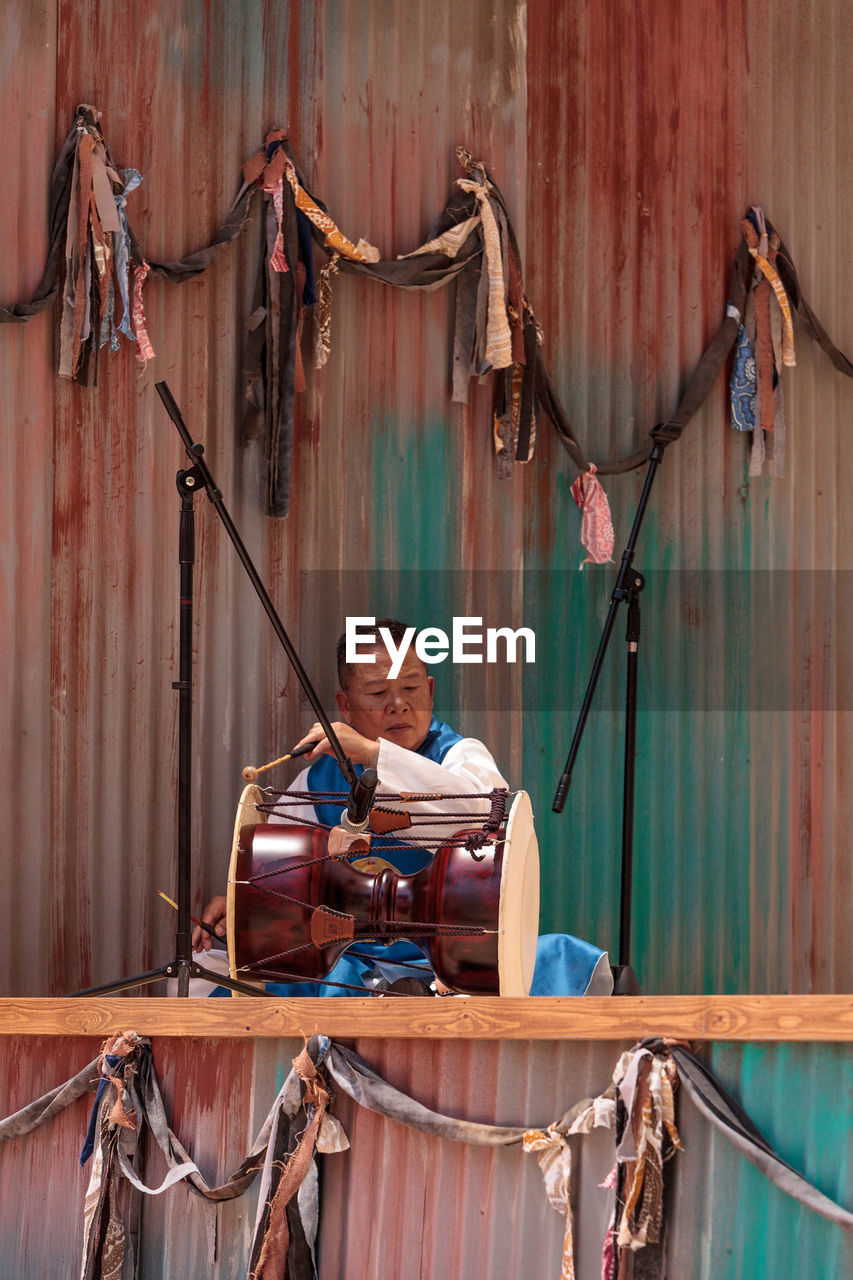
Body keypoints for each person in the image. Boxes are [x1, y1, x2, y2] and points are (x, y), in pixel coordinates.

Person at [191, 618, 611, 996]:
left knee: (550, 959)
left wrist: (376, 755)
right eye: (377, 692)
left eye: (410, 687)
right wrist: (241, 898)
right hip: (351, 958)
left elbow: (490, 827)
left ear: (428, 690)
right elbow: (275, 869)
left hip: (450, 954)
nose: (398, 704)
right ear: (345, 706)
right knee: (221, 973)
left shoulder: (459, 755)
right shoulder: (318, 780)